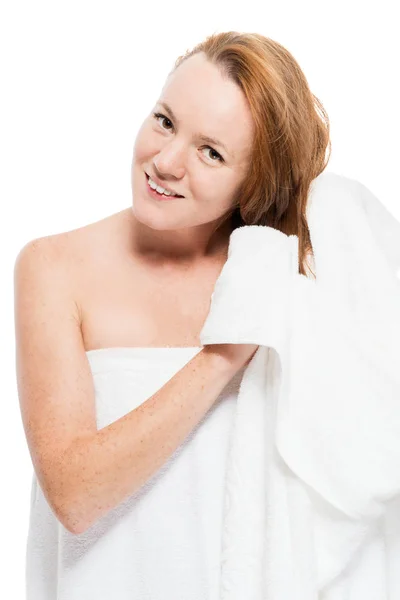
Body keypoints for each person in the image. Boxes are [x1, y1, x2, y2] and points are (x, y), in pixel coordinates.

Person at [14, 31, 330, 599]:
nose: (164, 162)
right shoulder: (53, 268)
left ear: (251, 183)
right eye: (164, 120)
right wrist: (224, 356)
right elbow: (74, 495)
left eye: (211, 152)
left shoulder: (285, 281)